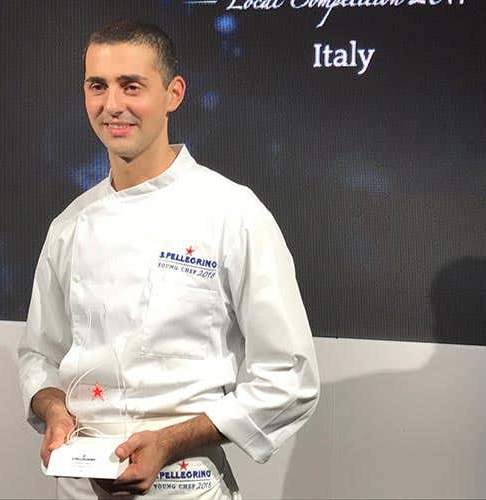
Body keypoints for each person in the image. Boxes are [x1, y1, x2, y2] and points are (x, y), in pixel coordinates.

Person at [18, 19, 320, 499]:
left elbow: (290, 376)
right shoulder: (70, 225)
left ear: (173, 93)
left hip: (186, 483)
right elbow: (41, 355)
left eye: (131, 86)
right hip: (81, 484)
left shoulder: (232, 212)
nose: (112, 105)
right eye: (97, 86)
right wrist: (54, 410)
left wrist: (170, 440)